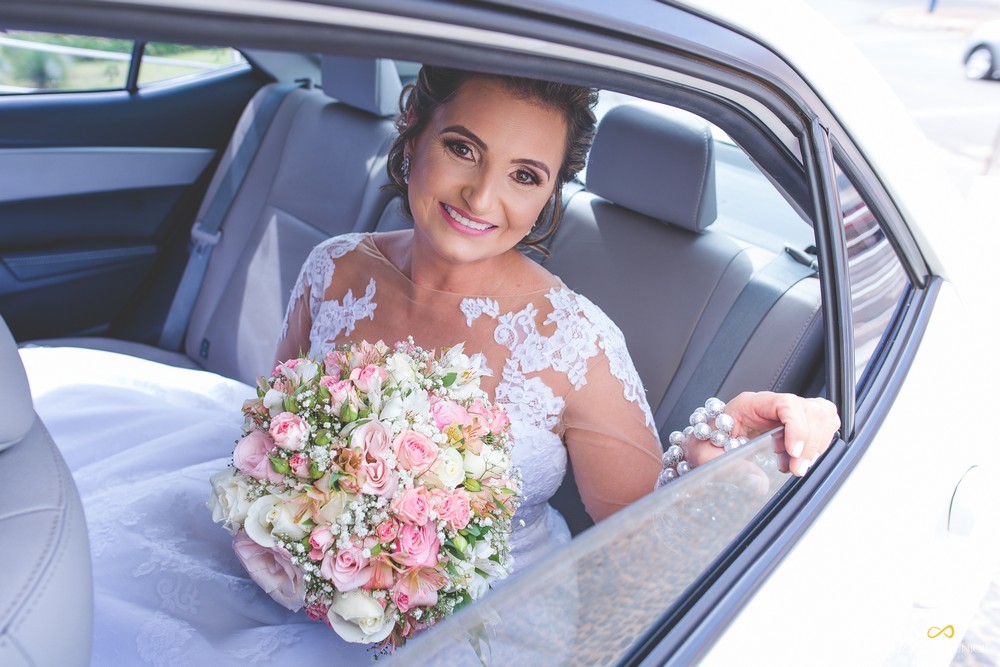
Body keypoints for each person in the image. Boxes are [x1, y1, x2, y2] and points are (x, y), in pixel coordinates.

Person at [21, 65, 839, 666]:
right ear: (413, 132)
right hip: (283, 571)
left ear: (552, 193)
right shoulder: (334, 269)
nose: (483, 198)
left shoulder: (573, 342)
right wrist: (295, 533)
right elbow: (270, 428)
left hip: (469, 622)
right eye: (462, 148)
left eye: (525, 176)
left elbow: (634, 537)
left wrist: (719, 446)